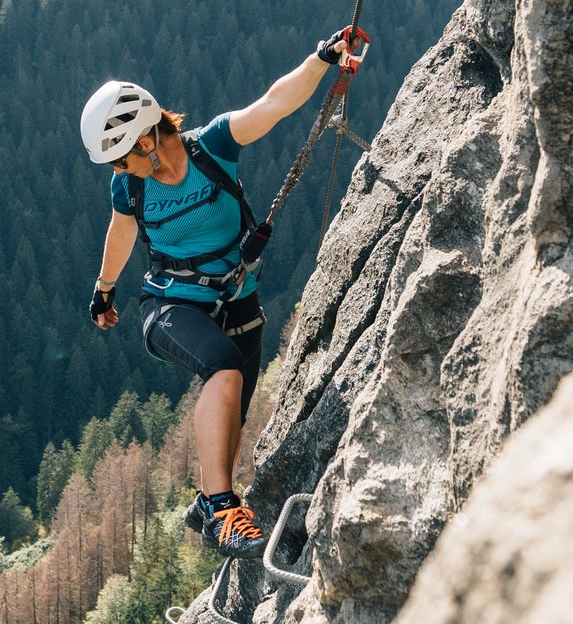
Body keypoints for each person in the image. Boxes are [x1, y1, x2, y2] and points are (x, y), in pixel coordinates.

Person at [80, 28, 365, 557]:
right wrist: (104, 290)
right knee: (223, 367)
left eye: (121, 158)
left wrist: (321, 59)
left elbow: (273, 105)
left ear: (145, 139)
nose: (118, 171)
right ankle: (219, 510)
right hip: (168, 304)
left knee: (230, 415)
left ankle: (209, 501)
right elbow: (122, 232)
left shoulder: (211, 147)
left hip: (239, 301)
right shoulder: (130, 186)